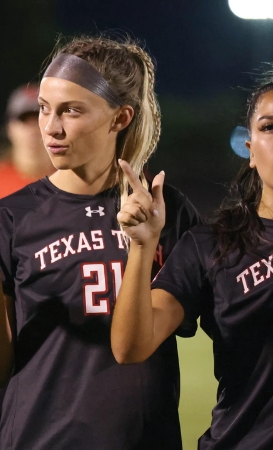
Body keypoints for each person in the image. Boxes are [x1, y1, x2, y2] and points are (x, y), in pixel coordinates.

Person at [0, 36, 202, 449]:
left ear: (120, 118)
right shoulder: (8, 217)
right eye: (45, 109)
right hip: (40, 439)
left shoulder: (167, 212)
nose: (50, 127)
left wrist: (144, 244)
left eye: (70, 110)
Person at [112, 74, 273, 449]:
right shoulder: (211, 244)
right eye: (270, 126)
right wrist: (141, 247)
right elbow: (131, 345)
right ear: (250, 150)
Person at [0, 83, 55, 198]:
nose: (33, 130)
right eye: (24, 120)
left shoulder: (78, 183)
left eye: (41, 119)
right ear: (9, 128)